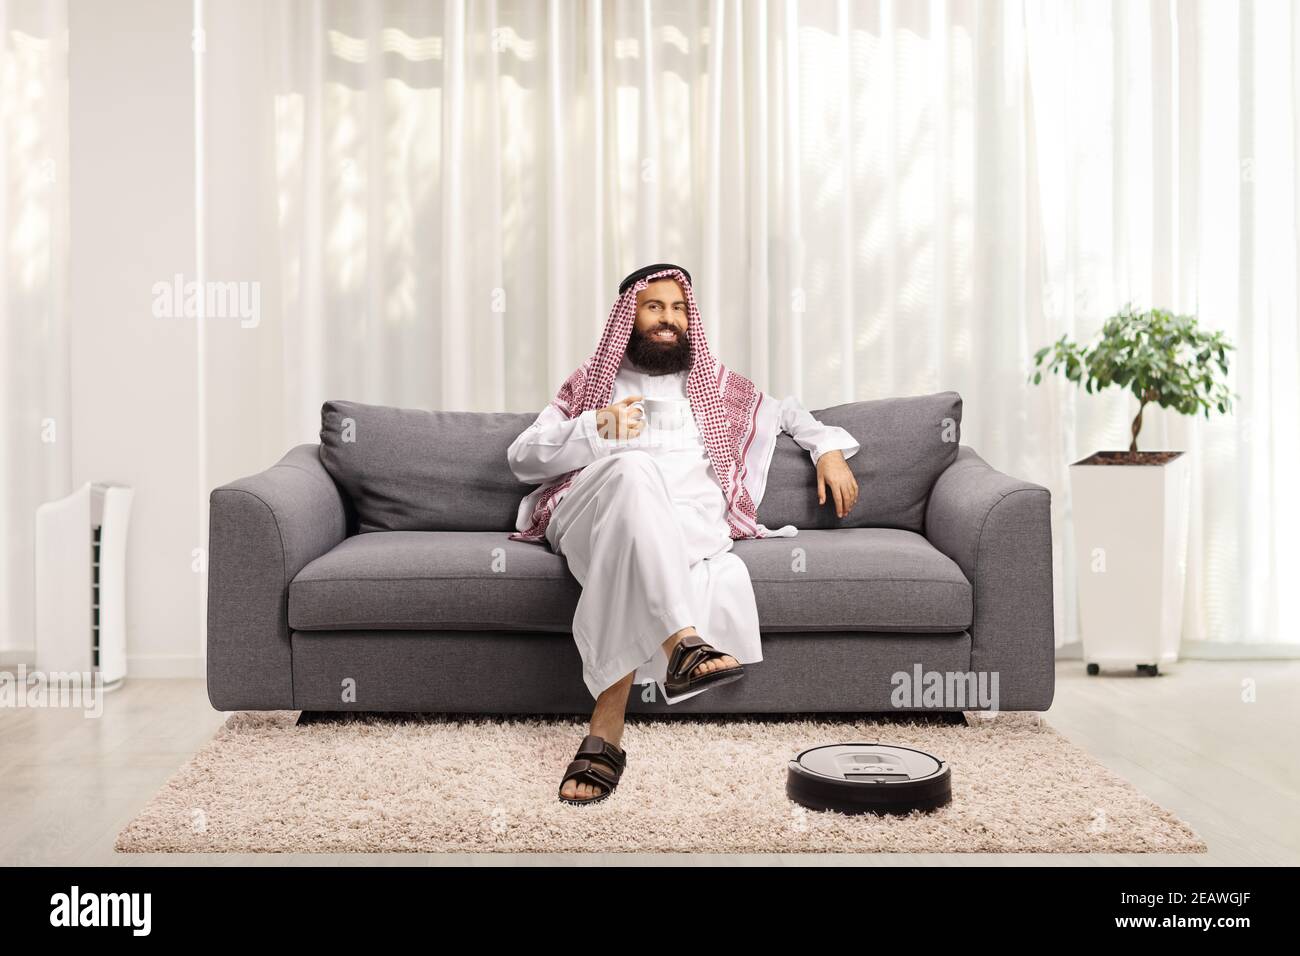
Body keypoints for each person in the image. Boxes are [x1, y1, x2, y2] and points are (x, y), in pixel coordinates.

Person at [506, 263, 860, 804]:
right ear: (629, 318)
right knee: (632, 469)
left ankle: (606, 731)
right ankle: (683, 642)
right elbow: (523, 458)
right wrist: (595, 427)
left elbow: (787, 411)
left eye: (677, 309)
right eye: (654, 307)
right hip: (588, 514)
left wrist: (828, 449)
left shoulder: (714, 387)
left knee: (632, 544)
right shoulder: (590, 384)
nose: (667, 319)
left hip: (679, 532)